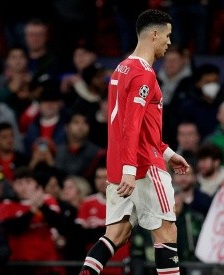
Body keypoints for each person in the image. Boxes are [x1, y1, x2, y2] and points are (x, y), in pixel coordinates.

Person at [79, 9, 190, 275]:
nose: (169, 43)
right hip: (142, 165)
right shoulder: (145, 74)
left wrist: (167, 153)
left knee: (117, 233)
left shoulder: (120, 69)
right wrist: (133, 168)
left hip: (120, 163)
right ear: (154, 34)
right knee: (166, 231)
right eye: (168, 36)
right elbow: (133, 124)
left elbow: (130, 125)